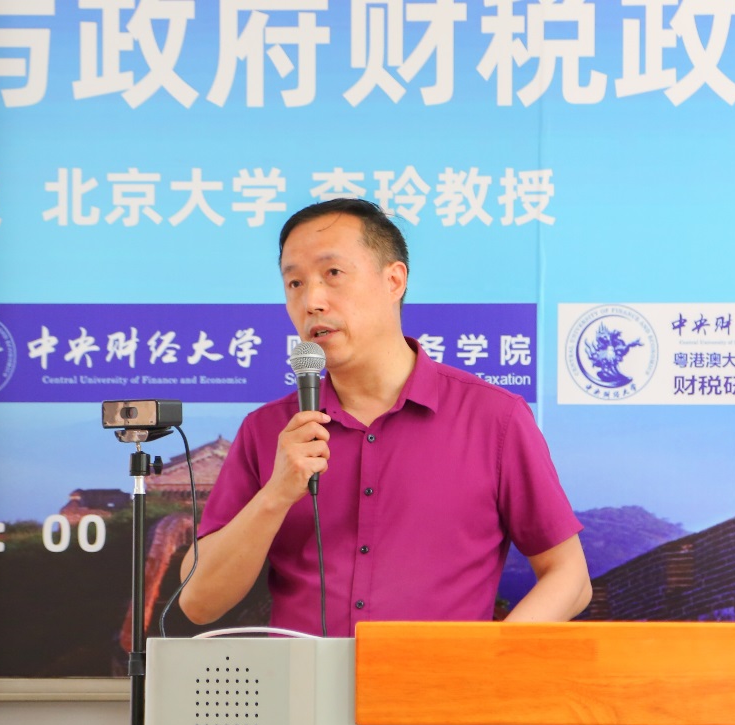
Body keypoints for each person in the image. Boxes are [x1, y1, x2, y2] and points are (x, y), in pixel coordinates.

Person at [178, 198, 591, 636]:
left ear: (394, 280)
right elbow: (198, 603)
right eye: (294, 283)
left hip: (437, 679)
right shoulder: (268, 431)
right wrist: (276, 494)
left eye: (333, 274)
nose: (311, 301)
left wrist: (488, 660)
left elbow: (569, 577)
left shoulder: (493, 418)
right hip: (299, 679)